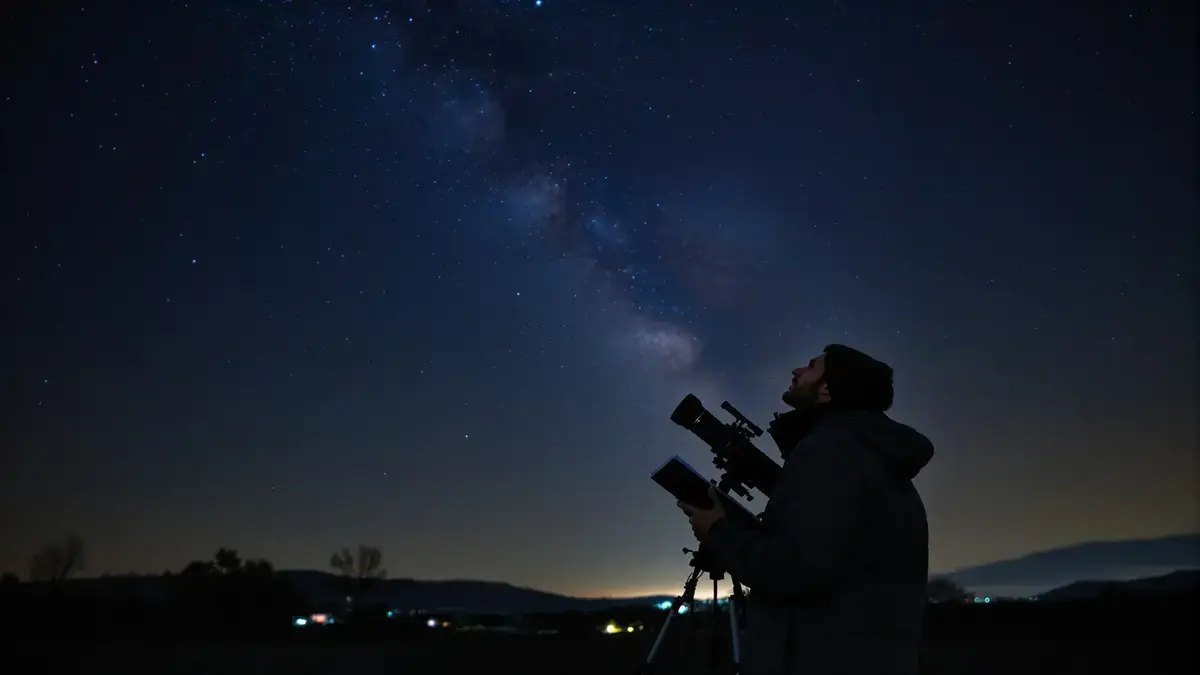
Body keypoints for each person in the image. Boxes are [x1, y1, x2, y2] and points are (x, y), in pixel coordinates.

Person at [678, 344, 934, 675]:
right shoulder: (867, 453)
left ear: (828, 389)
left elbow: (797, 569)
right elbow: (833, 555)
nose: (797, 371)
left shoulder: (830, 451)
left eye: (811, 368)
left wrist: (719, 531)